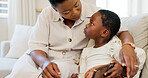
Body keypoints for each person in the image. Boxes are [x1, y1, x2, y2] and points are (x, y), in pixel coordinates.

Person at [6, 0, 139, 78]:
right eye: (66, 12)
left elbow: (123, 31)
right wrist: (44, 63)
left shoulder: (96, 13)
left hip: (70, 62)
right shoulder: (47, 14)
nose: (75, 13)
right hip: (41, 57)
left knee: (57, 73)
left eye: (76, 5)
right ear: (55, 9)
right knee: (19, 70)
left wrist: (127, 45)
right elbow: (36, 47)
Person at [77, 10, 146, 78]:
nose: (86, 25)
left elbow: (139, 55)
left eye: (91, 23)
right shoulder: (86, 51)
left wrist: (122, 70)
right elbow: (82, 73)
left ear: (104, 32)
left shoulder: (113, 46)